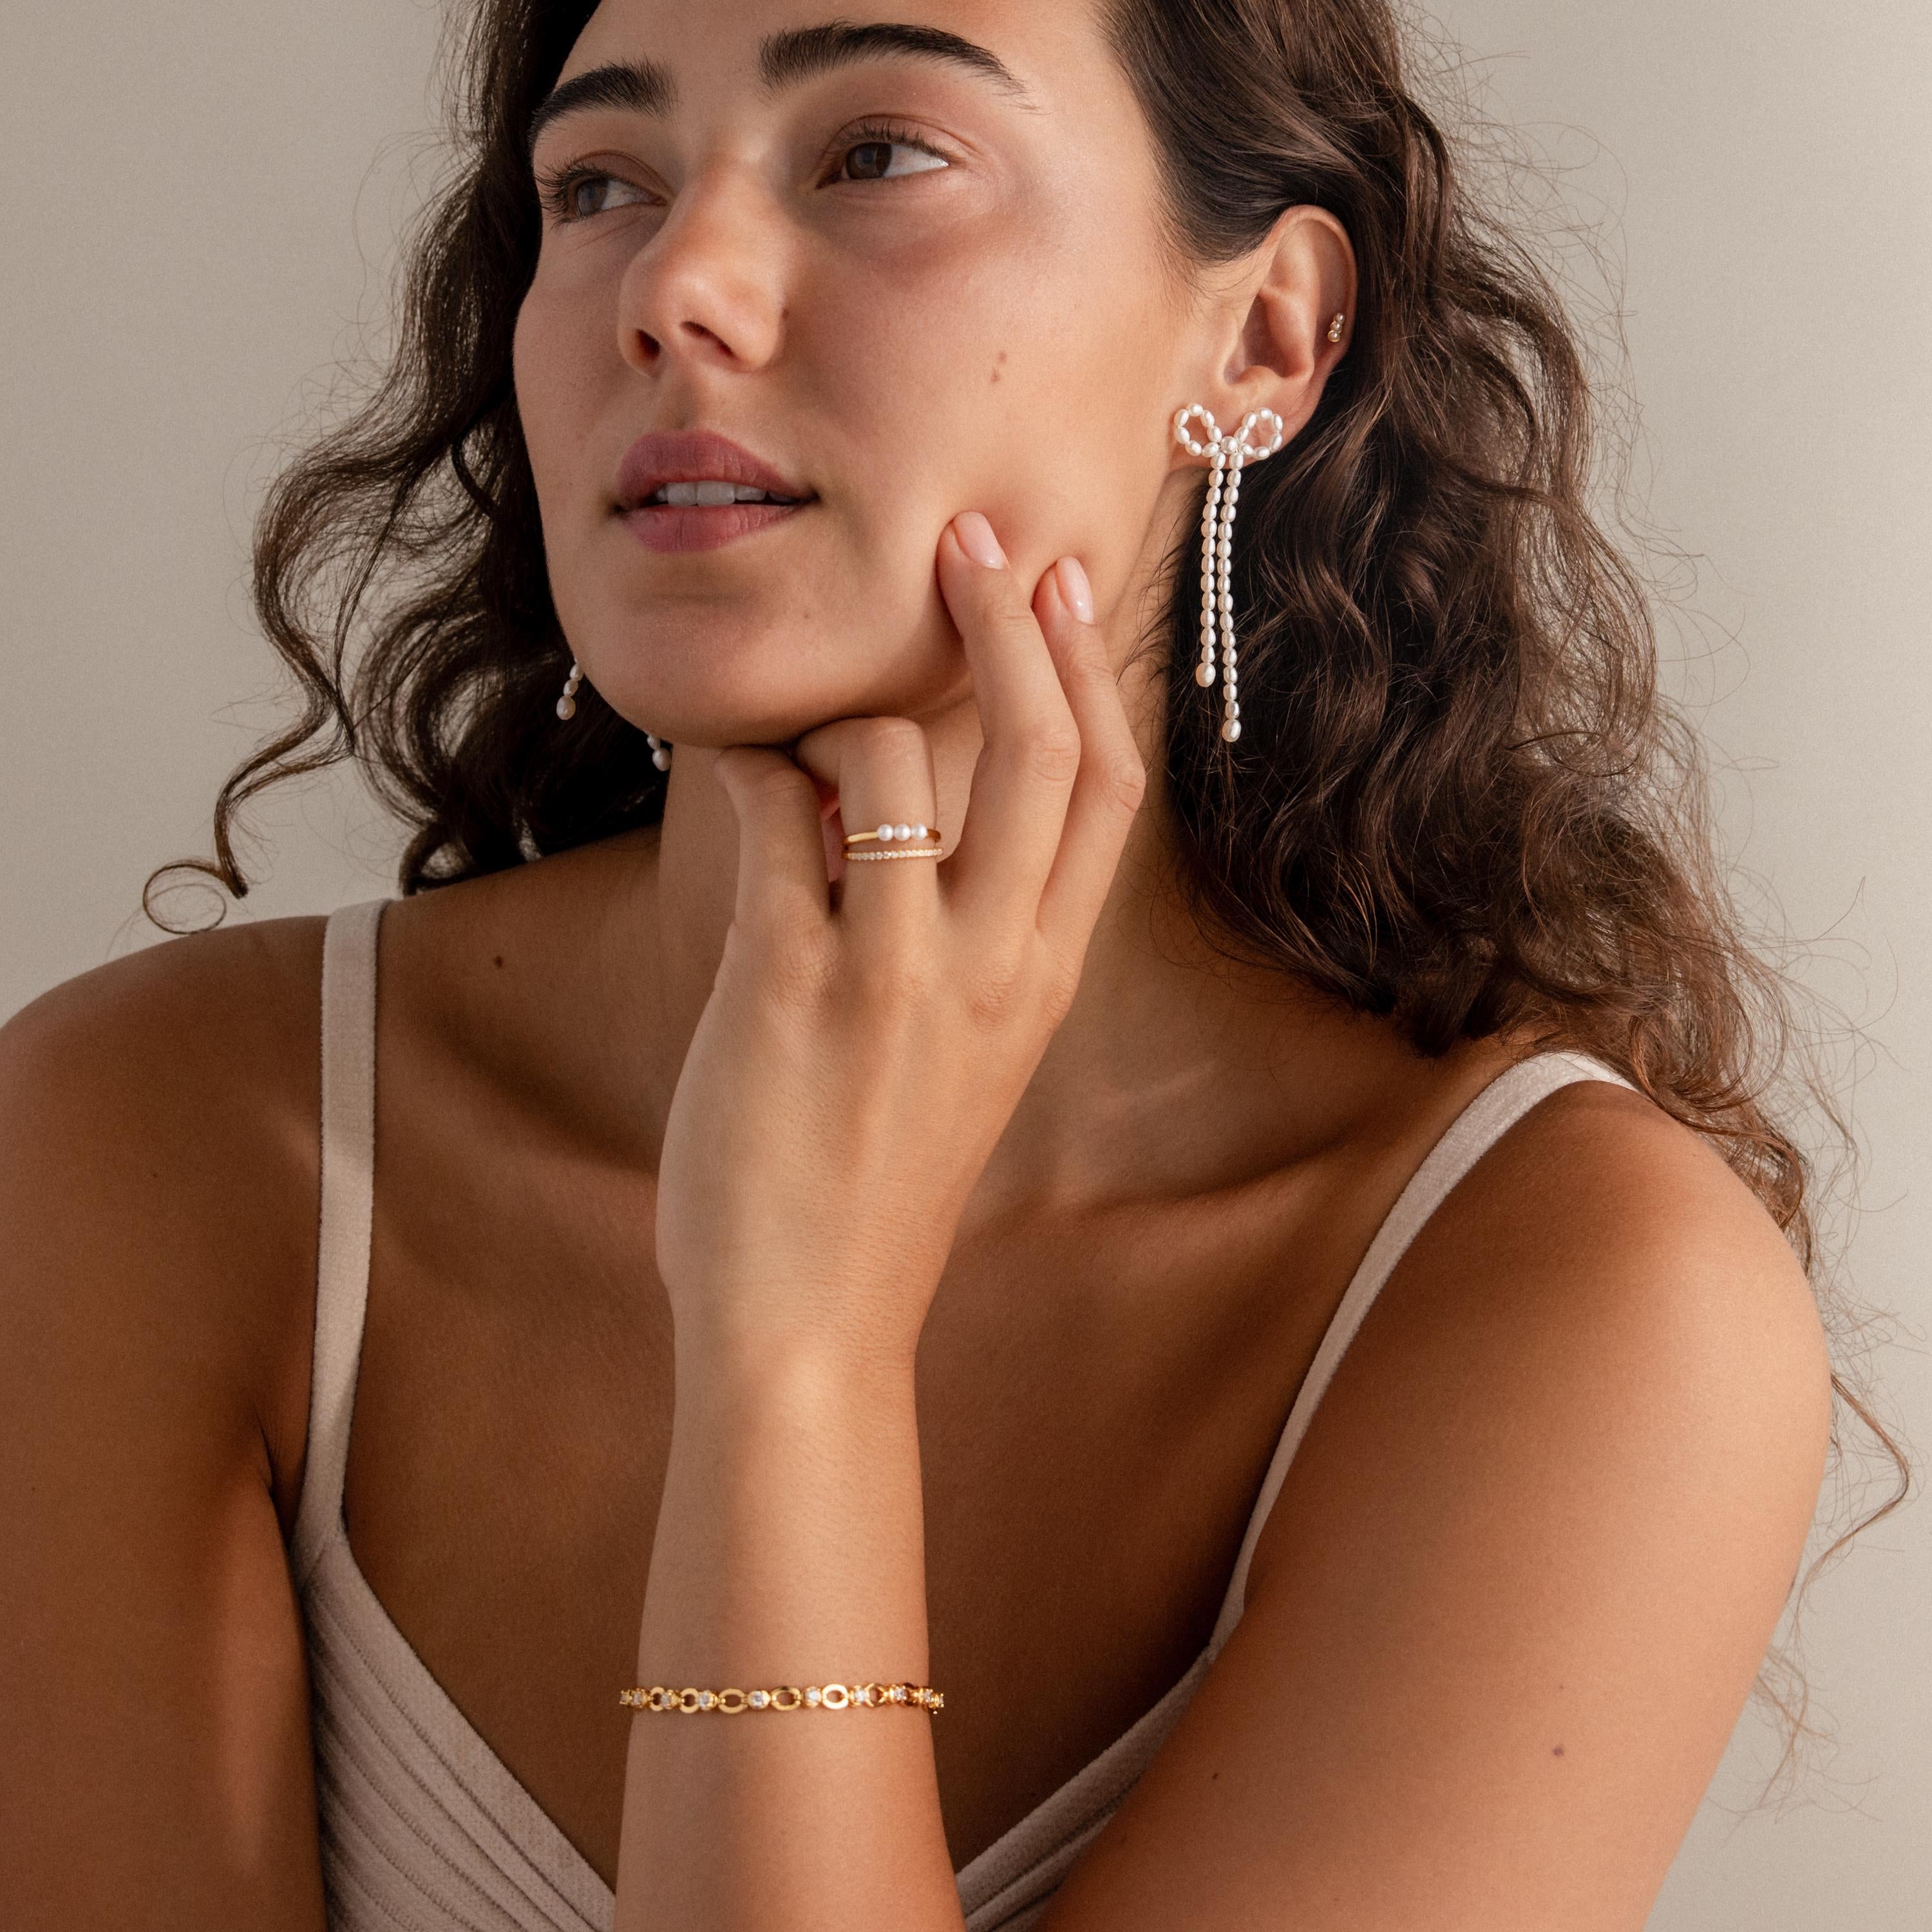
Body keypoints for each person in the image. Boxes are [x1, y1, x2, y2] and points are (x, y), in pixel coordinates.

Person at [1, 1, 1871, 1927]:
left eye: (877, 153)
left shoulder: (1574, 1297)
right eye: (599, 182)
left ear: (1264, 337)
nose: (674, 288)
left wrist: (793, 1346)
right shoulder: (163, 1147)